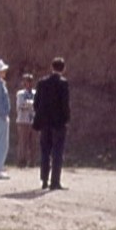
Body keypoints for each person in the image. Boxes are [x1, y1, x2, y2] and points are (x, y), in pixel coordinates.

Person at [34, 57, 70, 190]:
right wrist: (66, 119)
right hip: (58, 123)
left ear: (51, 67)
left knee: (45, 151)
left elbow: (36, 103)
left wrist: (41, 116)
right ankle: (55, 181)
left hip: (45, 122)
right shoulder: (63, 83)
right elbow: (65, 104)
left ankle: (44, 179)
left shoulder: (42, 83)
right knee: (57, 152)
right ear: (63, 69)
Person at [15, 73, 37, 168]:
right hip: (23, 120)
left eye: (30, 81)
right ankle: (21, 161)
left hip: (34, 120)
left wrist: (31, 105)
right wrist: (29, 105)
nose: (29, 83)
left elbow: (38, 105)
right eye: (27, 81)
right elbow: (20, 105)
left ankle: (32, 162)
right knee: (22, 142)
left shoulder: (36, 93)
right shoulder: (20, 94)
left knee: (33, 142)